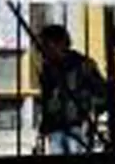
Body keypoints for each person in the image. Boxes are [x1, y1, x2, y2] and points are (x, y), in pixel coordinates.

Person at [37, 25, 107, 155]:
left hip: (77, 123)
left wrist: (90, 107)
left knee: (75, 161)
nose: (42, 50)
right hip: (56, 126)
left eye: (46, 45)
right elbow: (46, 99)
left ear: (60, 43)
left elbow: (101, 91)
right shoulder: (47, 68)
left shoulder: (82, 64)